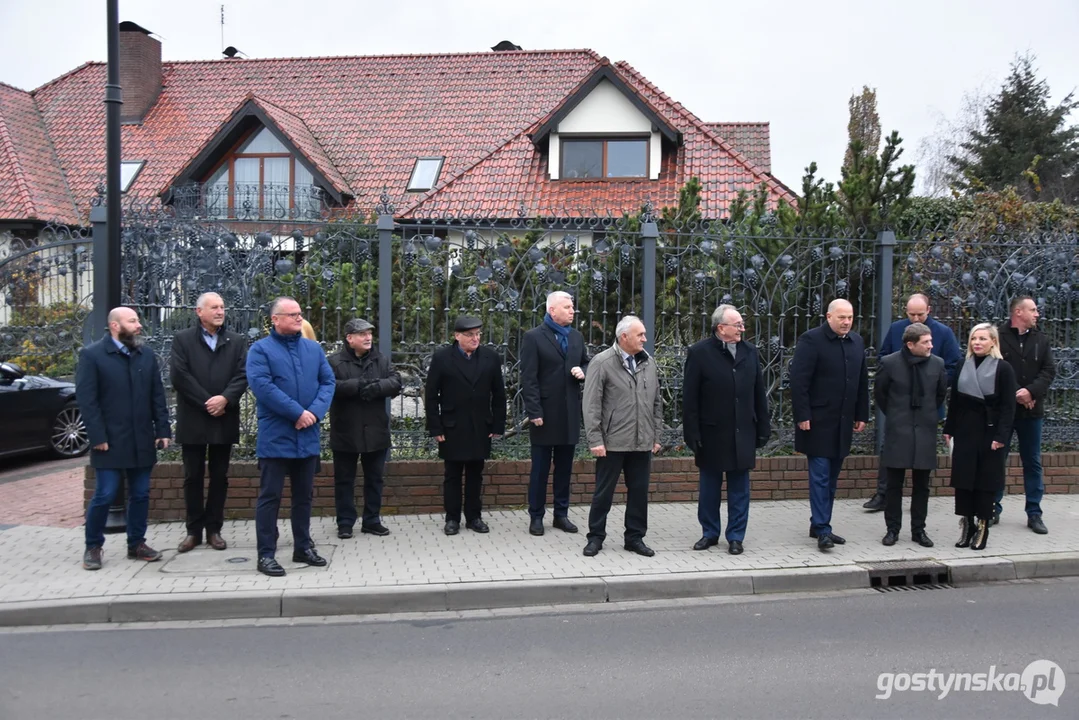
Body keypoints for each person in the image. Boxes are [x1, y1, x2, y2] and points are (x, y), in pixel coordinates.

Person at [247, 297, 336, 577]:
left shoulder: (313, 349)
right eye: (292, 314)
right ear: (275, 319)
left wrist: (314, 412)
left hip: (306, 436)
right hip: (277, 436)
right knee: (270, 497)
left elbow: (328, 382)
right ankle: (266, 554)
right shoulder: (260, 350)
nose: (299, 318)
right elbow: (262, 387)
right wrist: (297, 412)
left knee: (304, 497)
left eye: (300, 314)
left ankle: (303, 546)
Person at [78, 307, 171, 570]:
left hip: (141, 439)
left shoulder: (146, 355)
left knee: (141, 494)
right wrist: (97, 435)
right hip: (109, 440)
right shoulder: (92, 355)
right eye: (133, 321)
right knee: (105, 494)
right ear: (115, 326)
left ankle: (136, 543)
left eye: (138, 320)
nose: (139, 325)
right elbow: (88, 401)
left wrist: (163, 430)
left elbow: (157, 396)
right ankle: (93, 546)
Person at [682, 305, 770, 555]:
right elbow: (690, 399)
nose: (742, 328)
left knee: (739, 488)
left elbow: (758, 393)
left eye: (742, 324)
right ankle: (709, 533)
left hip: (743, 430)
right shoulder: (699, 353)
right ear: (721, 328)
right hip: (711, 432)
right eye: (737, 324)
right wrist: (692, 433)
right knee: (709, 488)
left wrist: (763, 426)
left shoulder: (750, 352)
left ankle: (736, 536)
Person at [864, 293, 960, 511]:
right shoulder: (898, 328)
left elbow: (953, 365)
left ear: (929, 310)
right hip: (899, 407)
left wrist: (933, 384)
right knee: (889, 452)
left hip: (926, 406)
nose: (916, 318)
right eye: (911, 314)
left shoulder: (943, 333)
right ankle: (883, 494)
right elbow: (883, 362)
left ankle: (919, 503)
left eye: (920, 314)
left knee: (923, 454)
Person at [170, 292, 248, 553]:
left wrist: (224, 399)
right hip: (194, 418)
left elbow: (243, 375)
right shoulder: (182, 340)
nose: (220, 311)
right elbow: (179, 376)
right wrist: (208, 401)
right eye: (214, 307)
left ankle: (214, 529)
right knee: (192, 476)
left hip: (223, 418)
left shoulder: (236, 341)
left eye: (223, 307)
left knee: (219, 476)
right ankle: (193, 531)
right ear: (199, 312)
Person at [789, 299, 869, 551]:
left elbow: (861, 380)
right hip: (817, 422)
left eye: (850, 318)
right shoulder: (811, 340)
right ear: (829, 317)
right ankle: (823, 529)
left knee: (832, 478)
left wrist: (862, 414)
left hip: (843, 422)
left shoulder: (856, 342)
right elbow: (799, 380)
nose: (846, 322)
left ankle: (818, 523)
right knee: (821, 477)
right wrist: (802, 415)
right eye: (842, 317)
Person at [581, 315, 663, 558]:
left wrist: (656, 436)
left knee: (639, 492)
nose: (645, 339)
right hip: (612, 442)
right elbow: (592, 404)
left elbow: (657, 403)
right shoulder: (602, 362)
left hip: (642, 441)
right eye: (640, 335)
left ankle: (634, 538)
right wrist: (595, 440)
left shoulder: (649, 363)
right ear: (624, 336)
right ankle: (595, 537)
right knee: (603, 492)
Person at [424, 316, 506, 535]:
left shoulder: (490, 357)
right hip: (452, 426)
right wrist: (436, 427)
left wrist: (498, 424)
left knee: (475, 474)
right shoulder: (442, 358)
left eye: (478, 334)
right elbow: (431, 396)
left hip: (481, 425)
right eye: (470, 335)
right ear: (457, 336)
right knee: (452, 474)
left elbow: (499, 394)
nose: (475, 338)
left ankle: (474, 517)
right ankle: (452, 519)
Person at [519, 291, 588, 536]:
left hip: (569, 413)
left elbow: (586, 362)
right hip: (544, 415)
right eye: (567, 307)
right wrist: (534, 411)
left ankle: (561, 514)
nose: (572, 311)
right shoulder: (534, 337)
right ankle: (536, 516)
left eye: (572, 307)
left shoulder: (576, 337)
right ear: (552, 310)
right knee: (540, 469)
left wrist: (584, 371)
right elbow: (528, 377)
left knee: (564, 469)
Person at [873, 323, 948, 548]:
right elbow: (881, 395)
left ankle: (919, 530)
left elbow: (940, 395)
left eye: (931, 341)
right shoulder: (889, 363)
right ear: (910, 344)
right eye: (926, 342)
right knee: (894, 485)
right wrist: (898, 416)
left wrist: (925, 417)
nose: (931, 346)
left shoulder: (937, 364)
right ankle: (892, 530)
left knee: (922, 486)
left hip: (925, 430)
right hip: (899, 430)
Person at [944, 323, 1017, 551]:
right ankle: (967, 524)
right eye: (974, 338)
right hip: (965, 430)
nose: (977, 343)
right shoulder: (962, 365)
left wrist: (1001, 436)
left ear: (993, 342)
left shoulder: (1003, 368)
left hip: (990, 431)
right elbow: (954, 400)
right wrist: (949, 428)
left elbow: (1008, 407)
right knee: (963, 480)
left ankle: (983, 525)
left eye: (983, 339)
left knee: (985, 482)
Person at [328, 318, 402, 539]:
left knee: (375, 479)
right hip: (346, 430)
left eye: (370, 333)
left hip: (375, 430)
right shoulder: (334, 362)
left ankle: (372, 520)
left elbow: (396, 381)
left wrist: (377, 387)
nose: (368, 337)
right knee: (344, 480)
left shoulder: (381, 359)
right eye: (362, 334)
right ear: (350, 338)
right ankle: (345, 522)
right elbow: (327, 385)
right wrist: (356, 385)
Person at [996, 296, 1056, 534]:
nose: (1037, 314)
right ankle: (993, 508)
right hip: (1004, 412)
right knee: (997, 459)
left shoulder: (1041, 340)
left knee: (1032, 461)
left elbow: (1049, 370)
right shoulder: (998, 336)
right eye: (1033, 310)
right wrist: (1015, 394)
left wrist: (1031, 392)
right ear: (1018, 312)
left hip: (1032, 412)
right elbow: (992, 368)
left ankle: (1034, 512)